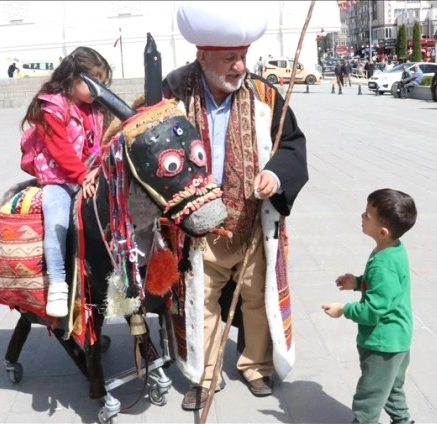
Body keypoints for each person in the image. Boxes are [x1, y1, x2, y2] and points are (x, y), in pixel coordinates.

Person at [165, 2, 309, 411]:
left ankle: (256, 366)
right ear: (203, 56)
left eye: (243, 56)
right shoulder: (173, 91)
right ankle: (203, 374)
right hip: (197, 227)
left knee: (256, 299)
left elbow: (292, 145)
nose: (239, 66)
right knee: (200, 301)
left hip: (251, 222)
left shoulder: (264, 94)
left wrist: (276, 175)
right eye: (229, 58)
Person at [19, 46, 111, 317]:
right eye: (94, 81)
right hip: (59, 179)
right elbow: (61, 150)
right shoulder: (51, 108)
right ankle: (58, 283)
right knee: (56, 220)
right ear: (74, 78)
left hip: (89, 174)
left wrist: (99, 170)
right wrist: (82, 177)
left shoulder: (96, 109)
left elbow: (103, 143)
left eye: (103, 82)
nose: (99, 88)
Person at [322, 188, 417, 424]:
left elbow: (372, 311)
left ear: (382, 231)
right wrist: (357, 282)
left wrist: (343, 310)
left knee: (369, 398)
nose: (362, 216)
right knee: (392, 389)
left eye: (367, 215)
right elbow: (385, 289)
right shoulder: (393, 249)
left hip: (381, 345)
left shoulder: (382, 264)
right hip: (398, 339)